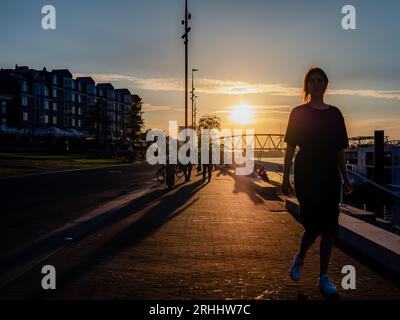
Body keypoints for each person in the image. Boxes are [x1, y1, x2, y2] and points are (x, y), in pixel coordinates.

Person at [281, 67, 353, 295]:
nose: (316, 84)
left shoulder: (335, 114)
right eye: (312, 81)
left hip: (330, 173)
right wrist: (285, 178)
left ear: (326, 84)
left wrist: (346, 177)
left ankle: (323, 276)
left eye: (320, 80)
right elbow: (290, 148)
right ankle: (301, 256)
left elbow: (339, 149)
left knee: (330, 227)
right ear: (306, 86)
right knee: (312, 225)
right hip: (306, 173)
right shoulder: (298, 112)